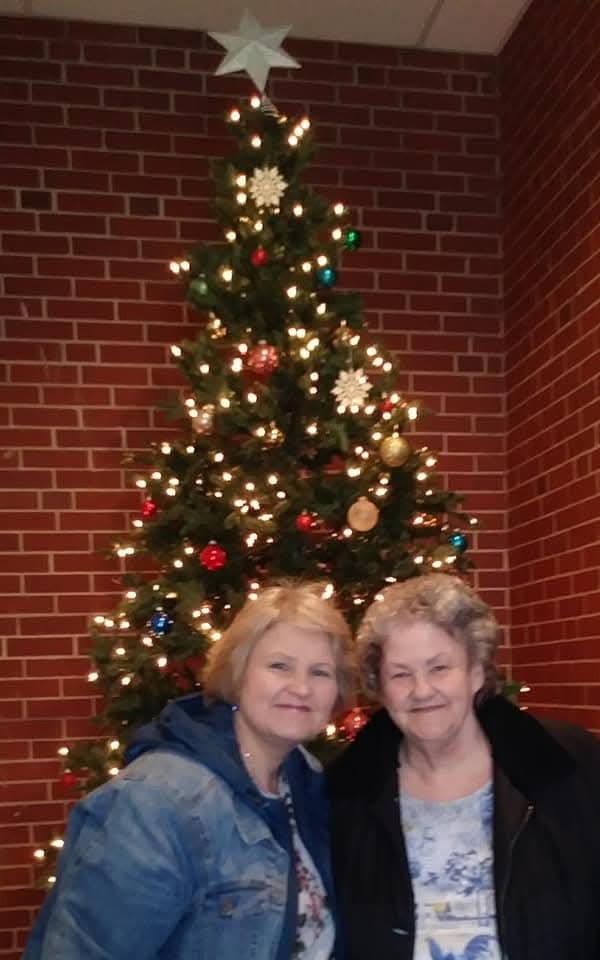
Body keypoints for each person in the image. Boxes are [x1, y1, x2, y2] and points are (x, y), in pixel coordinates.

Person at [24, 580, 354, 960]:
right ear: (238, 673)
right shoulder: (156, 801)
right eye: (279, 666)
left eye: (320, 672)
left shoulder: (304, 780)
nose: (301, 687)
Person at [326, 573, 600, 960]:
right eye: (401, 674)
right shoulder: (346, 792)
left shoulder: (565, 763)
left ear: (475, 672)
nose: (421, 690)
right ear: (380, 689)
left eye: (439, 668)